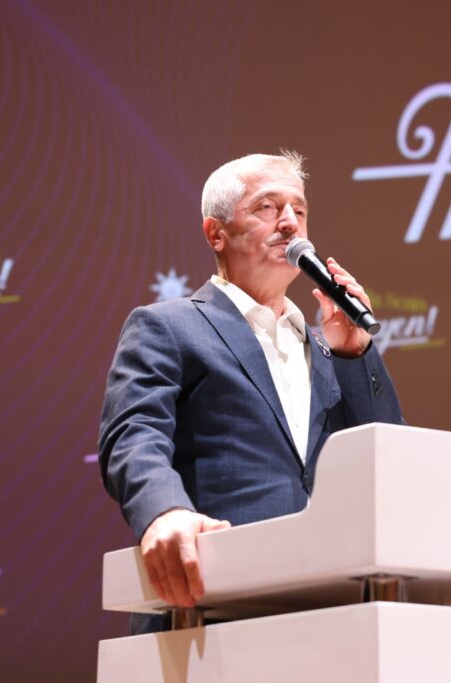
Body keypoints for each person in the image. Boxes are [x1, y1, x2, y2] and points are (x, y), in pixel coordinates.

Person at [97, 151, 404, 633]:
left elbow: (389, 459)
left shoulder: (331, 349)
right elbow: (134, 435)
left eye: (299, 210)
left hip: (331, 608)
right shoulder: (168, 326)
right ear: (216, 233)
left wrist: (355, 354)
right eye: (267, 207)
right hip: (211, 603)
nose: (290, 223)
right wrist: (164, 512)